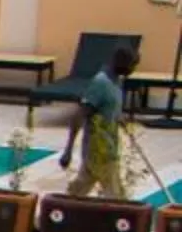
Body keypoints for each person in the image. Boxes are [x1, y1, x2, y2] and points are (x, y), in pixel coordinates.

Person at [59, 44, 139, 195]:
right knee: (115, 194)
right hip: (101, 150)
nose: (133, 70)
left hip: (107, 146)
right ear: (122, 62)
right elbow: (79, 115)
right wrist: (68, 150)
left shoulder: (117, 82)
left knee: (80, 187)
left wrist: (118, 119)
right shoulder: (101, 83)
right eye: (132, 65)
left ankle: (64, 209)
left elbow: (109, 108)